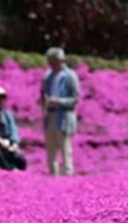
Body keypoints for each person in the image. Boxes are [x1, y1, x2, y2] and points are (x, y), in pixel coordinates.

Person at [40, 48, 80, 176]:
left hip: (63, 117)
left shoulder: (70, 76)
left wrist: (58, 101)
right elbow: (43, 93)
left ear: (60, 60)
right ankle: (53, 178)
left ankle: (68, 178)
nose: (50, 64)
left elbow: (75, 99)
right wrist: (43, 100)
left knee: (65, 150)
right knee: (51, 152)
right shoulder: (48, 76)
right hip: (50, 115)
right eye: (49, 61)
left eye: (52, 61)